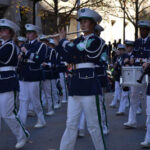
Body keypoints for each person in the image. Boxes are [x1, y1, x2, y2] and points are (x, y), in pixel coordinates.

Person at [54, 8, 106, 150]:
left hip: (89, 84)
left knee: (94, 125)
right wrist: (59, 44)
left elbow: (79, 50)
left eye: (85, 22)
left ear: (93, 24)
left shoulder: (98, 41)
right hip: (75, 84)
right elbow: (67, 57)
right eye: (81, 22)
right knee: (70, 123)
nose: (82, 25)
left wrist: (64, 42)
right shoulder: (77, 40)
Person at [0, 19, 29, 149]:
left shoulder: (11, 45)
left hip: (8, 81)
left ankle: (22, 135)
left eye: (4, 30)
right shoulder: (2, 44)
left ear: (10, 33)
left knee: (7, 113)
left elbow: (3, 58)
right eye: (0, 29)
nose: (1, 32)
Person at [17, 24, 46, 128]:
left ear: (35, 34)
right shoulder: (25, 45)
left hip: (33, 74)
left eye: (30, 33)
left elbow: (40, 59)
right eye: (27, 33)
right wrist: (20, 57)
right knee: (23, 99)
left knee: (35, 100)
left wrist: (26, 52)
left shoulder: (41, 45)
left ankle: (41, 120)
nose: (28, 35)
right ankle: (22, 122)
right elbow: (21, 58)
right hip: (23, 74)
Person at [124, 20, 150, 129]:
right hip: (136, 71)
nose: (142, 31)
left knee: (146, 97)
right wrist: (129, 60)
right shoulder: (137, 42)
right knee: (133, 96)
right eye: (140, 29)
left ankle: (148, 124)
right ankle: (132, 121)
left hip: (147, 71)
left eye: (144, 29)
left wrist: (147, 62)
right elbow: (133, 55)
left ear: (148, 31)